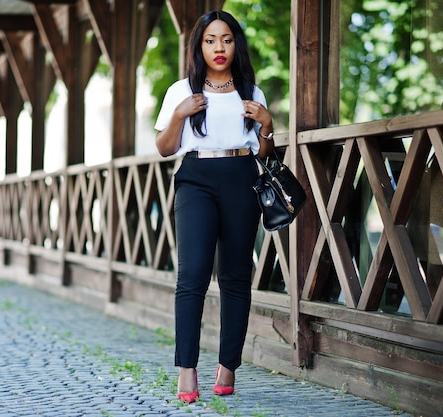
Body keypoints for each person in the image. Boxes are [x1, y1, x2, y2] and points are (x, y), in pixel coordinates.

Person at [154, 10, 275, 403]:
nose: (218, 47)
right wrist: (178, 115)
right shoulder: (180, 91)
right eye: (210, 40)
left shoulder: (252, 92)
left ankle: (228, 366)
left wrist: (268, 125)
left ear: (235, 43)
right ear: (199, 46)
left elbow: (263, 152)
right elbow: (164, 147)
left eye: (225, 39)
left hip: (242, 177)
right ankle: (187, 369)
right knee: (192, 275)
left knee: (236, 276)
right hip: (196, 179)